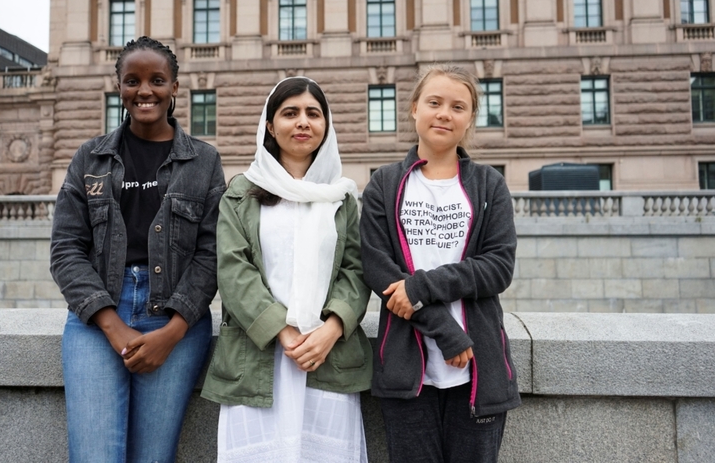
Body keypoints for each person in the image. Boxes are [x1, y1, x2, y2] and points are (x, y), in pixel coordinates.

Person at [50, 36, 226, 463]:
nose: (144, 91)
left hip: (175, 320)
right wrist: (112, 325)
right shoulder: (89, 157)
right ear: (119, 87)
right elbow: (66, 249)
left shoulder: (204, 161)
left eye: (156, 80)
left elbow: (213, 252)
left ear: (175, 88)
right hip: (97, 319)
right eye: (132, 81)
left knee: (153, 457)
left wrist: (173, 331)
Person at [201, 76, 372, 462]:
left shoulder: (341, 197)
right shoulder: (242, 192)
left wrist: (332, 328)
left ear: (326, 126)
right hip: (258, 356)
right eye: (290, 113)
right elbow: (232, 268)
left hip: (325, 354)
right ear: (269, 125)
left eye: (313, 113)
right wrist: (282, 330)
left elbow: (357, 270)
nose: (302, 122)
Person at [359, 64, 520, 462]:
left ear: (469, 120)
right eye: (434, 102)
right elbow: (377, 269)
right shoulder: (384, 183)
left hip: (478, 372)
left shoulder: (489, 184)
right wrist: (445, 330)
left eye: (458, 106)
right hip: (407, 370)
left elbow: (498, 266)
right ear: (415, 109)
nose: (444, 113)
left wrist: (421, 286)